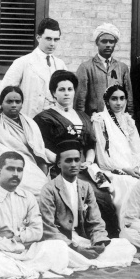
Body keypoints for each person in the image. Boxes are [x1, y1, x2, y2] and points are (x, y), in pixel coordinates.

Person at [33, 70, 120, 238]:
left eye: (70, 89)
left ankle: (106, 236)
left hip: (85, 167)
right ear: (53, 93)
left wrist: (88, 161)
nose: (66, 93)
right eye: (62, 89)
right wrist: (61, 160)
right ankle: (86, 235)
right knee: (94, 196)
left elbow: (90, 143)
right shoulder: (44, 118)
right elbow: (41, 146)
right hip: (61, 168)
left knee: (107, 194)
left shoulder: (83, 116)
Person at [0, 152, 73, 279]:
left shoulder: (28, 197)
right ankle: (35, 271)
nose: (15, 174)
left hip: (25, 252)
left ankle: (22, 271)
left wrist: (18, 237)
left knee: (59, 246)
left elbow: (37, 232)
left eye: (19, 170)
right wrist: (16, 245)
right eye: (10, 169)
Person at [39, 139, 137, 268]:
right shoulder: (49, 189)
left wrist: (99, 240)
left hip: (82, 239)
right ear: (58, 164)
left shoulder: (86, 187)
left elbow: (95, 220)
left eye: (76, 160)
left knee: (125, 245)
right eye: (68, 161)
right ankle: (82, 258)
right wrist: (76, 248)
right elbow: (48, 227)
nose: (74, 164)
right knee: (58, 251)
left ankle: (87, 258)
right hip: (63, 241)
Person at [91, 85, 140, 227]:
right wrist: (125, 169)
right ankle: (126, 227)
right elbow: (103, 159)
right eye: (114, 99)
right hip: (111, 171)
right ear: (107, 101)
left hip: (132, 168)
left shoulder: (128, 120)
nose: (119, 103)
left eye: (122, 98)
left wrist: (134, 167)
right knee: (130, 185)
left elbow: (137, 149)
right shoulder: (100, 120)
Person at [0, 86, 50, 195]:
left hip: (29, 165)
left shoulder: (31, 124)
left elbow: (38, 150)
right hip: (4, 165)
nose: (14, 105)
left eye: (17, 101)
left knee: (43, 188)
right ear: (1, 103)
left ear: (22, 104)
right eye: (9, 101)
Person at [0, 18, 67, 118]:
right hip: (29, 119)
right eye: (48, 39)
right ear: (38, 37)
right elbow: (4, 94)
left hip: (55, 121)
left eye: (56, 39)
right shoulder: (23, 63)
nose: (52, 43)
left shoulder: (60, 65)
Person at [74, 23, 133, 116]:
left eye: (111, 42)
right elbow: (79, 102)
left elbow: (129, 99)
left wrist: (129, 120)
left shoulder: (122, 68)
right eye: (104, 41)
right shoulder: (86, 67)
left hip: (117, 121)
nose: (108, 45)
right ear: (97, 42)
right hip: (94, 120)